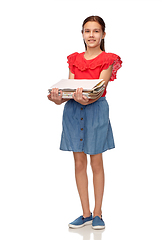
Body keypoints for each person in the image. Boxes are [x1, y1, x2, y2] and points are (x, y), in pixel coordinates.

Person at [47, 16, 122, 230]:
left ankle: (98, 213)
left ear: (103, 34)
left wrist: (86, 98)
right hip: (73, 111)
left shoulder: (108, 59)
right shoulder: (74, 59)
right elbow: (71, 89)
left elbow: (98, 89)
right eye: (87, 31)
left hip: (95, 111)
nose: (91, 35)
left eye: (96, 31)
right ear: (82, 34)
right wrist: (58, 98)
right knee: (79, 162)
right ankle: (85, 213)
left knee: (95, 162)